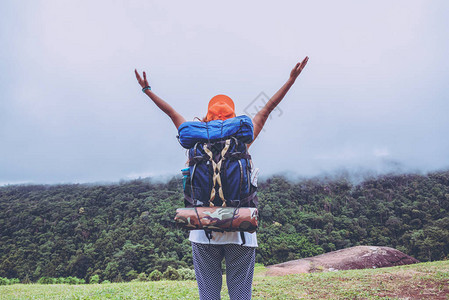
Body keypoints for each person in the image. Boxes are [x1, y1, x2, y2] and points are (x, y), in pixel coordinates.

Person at [135, 56, 308, 300]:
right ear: (233, 118)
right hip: (241, 230)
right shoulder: (242, 141)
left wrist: (147, 90)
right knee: (240, 296)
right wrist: (291, 80)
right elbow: (267, 108)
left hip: (201, 229)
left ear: (206, 118)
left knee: (208, 296)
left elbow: (171, 113)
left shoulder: (195, 140)